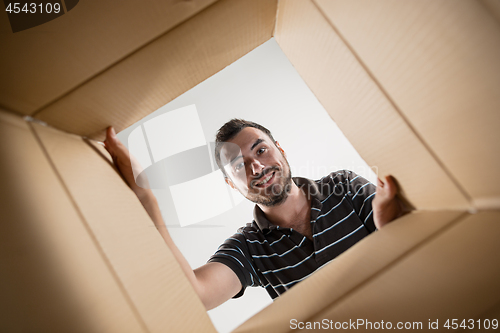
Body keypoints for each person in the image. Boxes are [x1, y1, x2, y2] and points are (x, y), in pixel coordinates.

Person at [104, 119, 407, 310]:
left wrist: (389, 227)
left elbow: (408, 240)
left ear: (280, 150)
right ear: (230, 184)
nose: (256, 168)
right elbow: (197, 296)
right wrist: (146, 199)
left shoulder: (343, 185)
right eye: (238, 165)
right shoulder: (248, 248)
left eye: (260, 151)